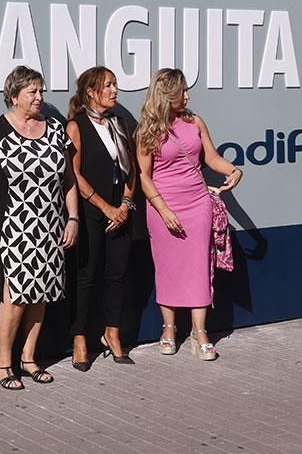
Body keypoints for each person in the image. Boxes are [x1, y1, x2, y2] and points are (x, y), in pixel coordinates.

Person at [135, 69, 242, 360]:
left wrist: (233, 170)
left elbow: (211, 157)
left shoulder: (194, 121)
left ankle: (200, 333)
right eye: (182, 91)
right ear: (167, 94)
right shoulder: (148, 129)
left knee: (198, 267)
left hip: (197, 204)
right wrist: (164, 209)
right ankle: (168, 329)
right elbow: (143, 176)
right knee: (167, 267)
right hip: (162, 206)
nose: (188, 96)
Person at [0, 66, 79, 390]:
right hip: (14, 224)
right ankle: (3, 362)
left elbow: (68, 180)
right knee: (15, 295)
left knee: (42, 292)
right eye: (32, 92)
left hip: (50, 223)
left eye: (41, 91)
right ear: (14, 96)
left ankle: (28, 358)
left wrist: (73, 218)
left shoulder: (54, 129)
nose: (40, 97)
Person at [65, 66, 136, 369]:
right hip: (92, 213)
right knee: (87, 277)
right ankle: (79, 337)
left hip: (122, 212)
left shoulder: (119, 123)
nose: (114, 90)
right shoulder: (76, 125)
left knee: (117, 276)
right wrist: (105, 208)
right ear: (91, 92)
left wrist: (125, 204)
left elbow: (133, 169)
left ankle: (112, 333)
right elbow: (74, 174)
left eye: (115, 84)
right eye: (107, 85)